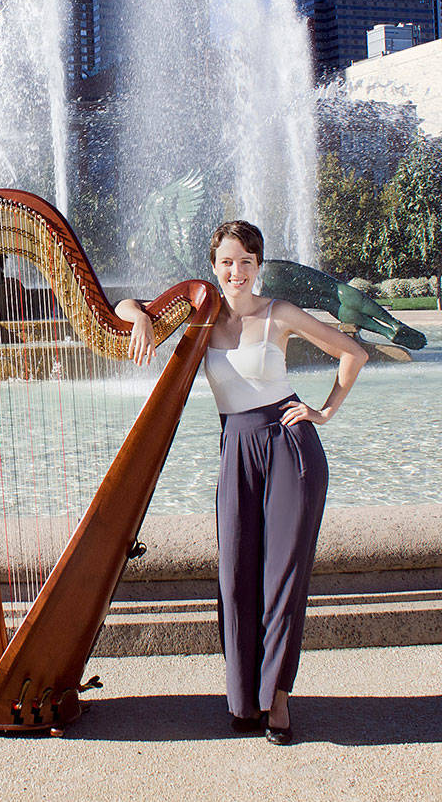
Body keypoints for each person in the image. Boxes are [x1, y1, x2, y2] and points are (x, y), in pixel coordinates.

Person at [118, 220, 367, 745]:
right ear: (214, 267)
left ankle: (276, 700)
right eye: (228, 262)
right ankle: (244, 698)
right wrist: (138, 317)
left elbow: (354, 353)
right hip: (236, 448)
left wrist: (322, 411)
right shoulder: (201, 317)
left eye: (247, 262)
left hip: (288, 446)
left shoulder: (280, 313)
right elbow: (122, 307)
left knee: (282, 578)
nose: (237, 272)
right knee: (234, 576)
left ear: (259, 266)